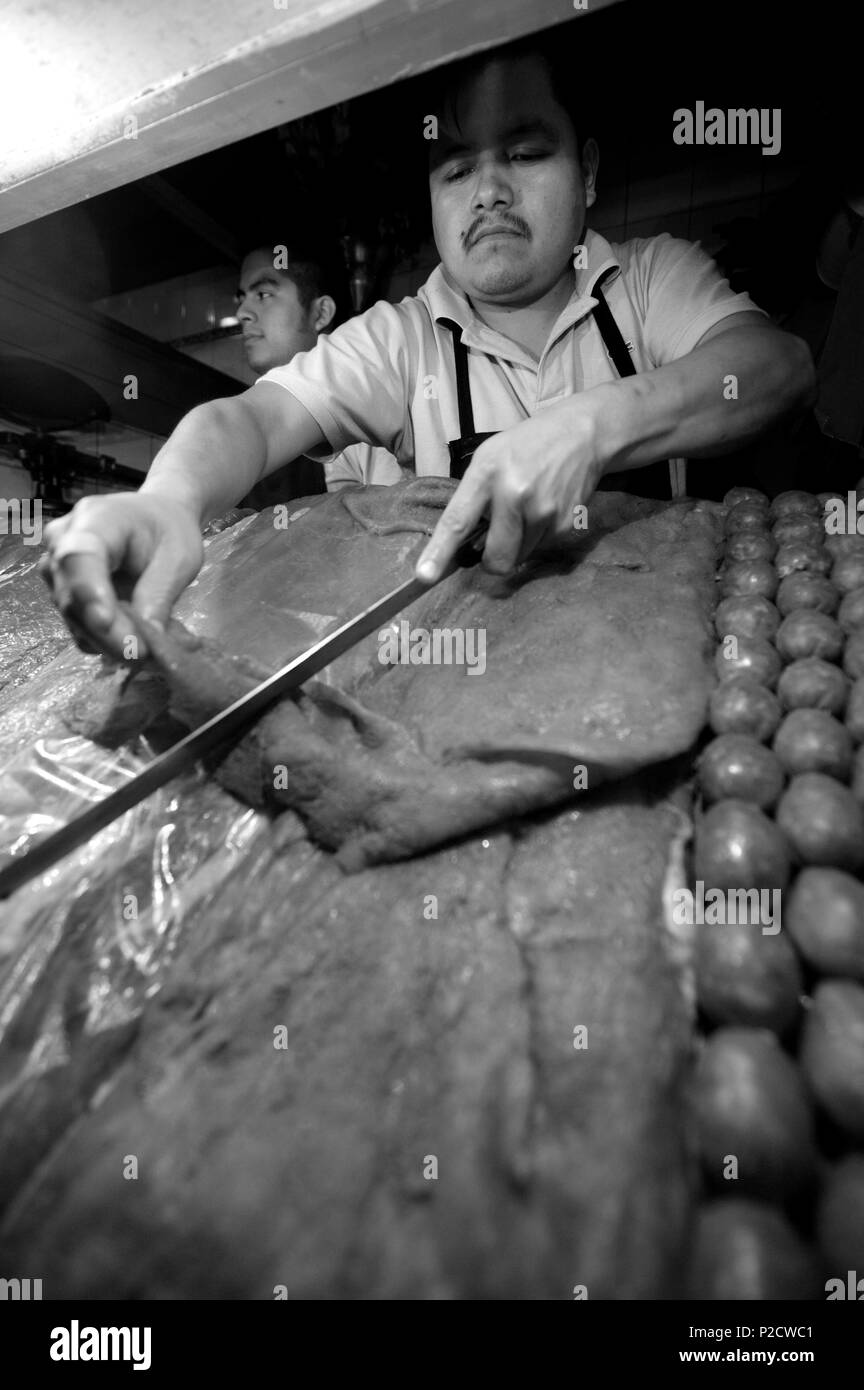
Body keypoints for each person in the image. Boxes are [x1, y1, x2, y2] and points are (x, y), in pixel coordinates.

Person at [41, 34, 814, 660]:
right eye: (456, 168)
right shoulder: (400, 338)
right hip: (471, 669)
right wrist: (167, 500)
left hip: (649, 651)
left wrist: (595, 424)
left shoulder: (649, 280)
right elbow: (253, 420)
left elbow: (779, 367)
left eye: (524, 152)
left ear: (587, 174)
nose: (488, 193)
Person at [234, 242, 402, 503]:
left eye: (264, 294)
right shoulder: (247, 434)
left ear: (321, 313)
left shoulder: (365, 413)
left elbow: (397, 529)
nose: (242, 313)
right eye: (242, 297)